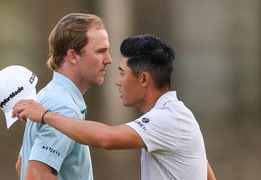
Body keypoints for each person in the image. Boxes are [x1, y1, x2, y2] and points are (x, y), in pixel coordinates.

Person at [13, 34, 216, 180]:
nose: (117, 82)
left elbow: (107, 138)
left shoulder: (168, 119)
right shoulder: (177, 116)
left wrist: (45, 115)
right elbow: (204, 170)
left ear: (143, 79)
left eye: (122, 73)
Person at [15, 13, 112, 180]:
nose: (108, 60)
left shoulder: (47, 95)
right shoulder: (63, 107)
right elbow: (37, 175)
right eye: (101, 51)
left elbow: (21, 164)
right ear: (73, 56)